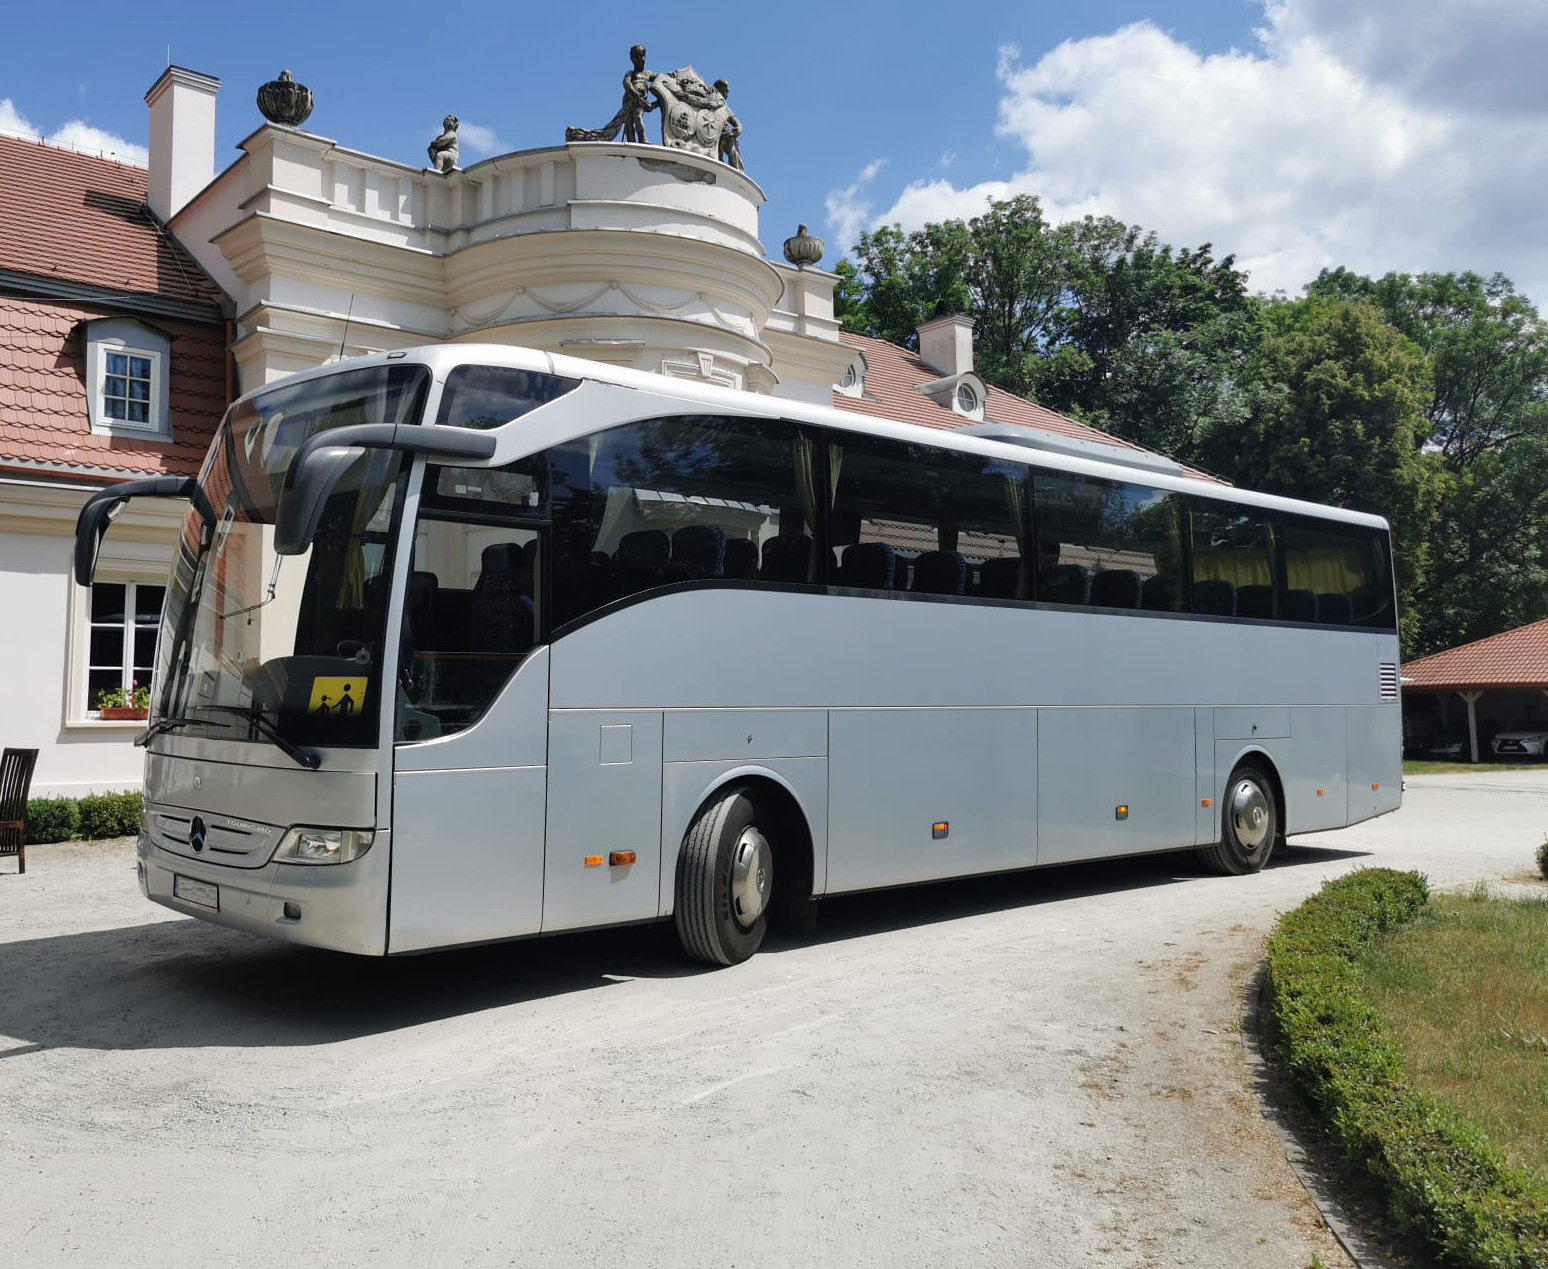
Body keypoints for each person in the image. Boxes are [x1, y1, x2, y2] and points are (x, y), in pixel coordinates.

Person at [712, 79, 743, 170]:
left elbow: (735, 121)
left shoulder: (725, 108)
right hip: (714, 134)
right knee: (718, 158)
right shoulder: (710, 100)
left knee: (733, 154)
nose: (726, 93)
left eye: (727, 91)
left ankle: (737, 173)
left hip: (727, 134)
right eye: (725, 90)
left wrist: (738, 128)